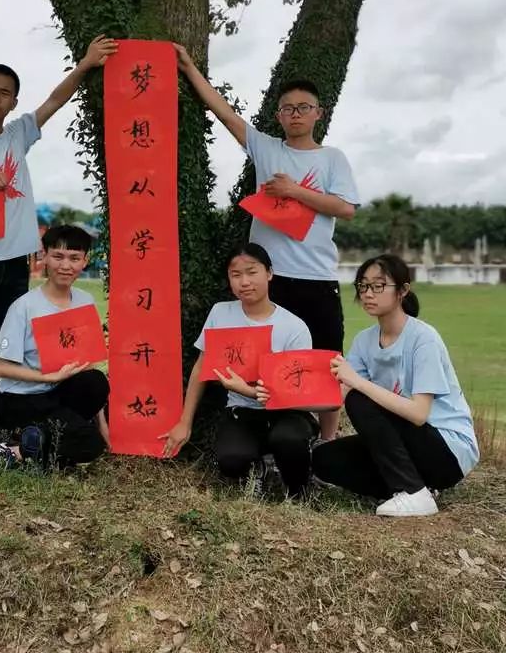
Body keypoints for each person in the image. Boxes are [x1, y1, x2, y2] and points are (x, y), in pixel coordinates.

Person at [0, 37, 116, 463]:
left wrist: (87, 63)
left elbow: (55, 99)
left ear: (14, 100)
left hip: (15, 259)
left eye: (5, 93)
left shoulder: (18, 133)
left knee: (5, 342)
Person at [175, 47, 358, 441]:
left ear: (318, 113)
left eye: (303, 107)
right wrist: (189, 68)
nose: (295, 114)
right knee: (266, 360)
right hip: (267, 279)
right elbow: (224, 114)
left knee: (323, 359)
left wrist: (293, 190)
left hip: (315, 275)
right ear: (278, 116)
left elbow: (345, 208)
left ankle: (326, 443)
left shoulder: (331, 159)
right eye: (287, 108)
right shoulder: (267, 148)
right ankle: (271, 435)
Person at [314, 254, 479, 518]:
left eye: (379, 286)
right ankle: (416, 487)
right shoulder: (364, 341)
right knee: (323, 460)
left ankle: (412, 492)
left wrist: (357, 381)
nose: (368, 293)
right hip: (409, 443)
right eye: (363, 286)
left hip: (447, 450)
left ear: (402, 290)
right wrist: (274, 394)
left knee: (360, 398)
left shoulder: (423, 338)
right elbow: (337, 395)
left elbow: (418, 414)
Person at [160, 243, 316, 498]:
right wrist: (184, 422)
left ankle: (298, 488)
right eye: (236, 275)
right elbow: (201, 367)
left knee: (288, 439)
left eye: (252, 272)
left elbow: (297, 393)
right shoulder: (221, 313)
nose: (244, 282)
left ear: (269, 273)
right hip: (241, 412)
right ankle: (258, 468)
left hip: (287, 412)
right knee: (231, 460)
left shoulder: (294, 327)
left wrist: (244, 389)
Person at [0, 224, 109, 469]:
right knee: (90, 447)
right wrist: (46, 376)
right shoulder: (24, 307)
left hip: (58, 394)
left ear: (85, 261)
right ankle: (14, 451)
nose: (66, 266)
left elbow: (87, 364)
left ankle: (33, 440)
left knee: (96, 382)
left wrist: (103, 427)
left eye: (74, 258)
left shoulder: (85, 301)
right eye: (58, 256)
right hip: (21, 398)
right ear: (44, 257)